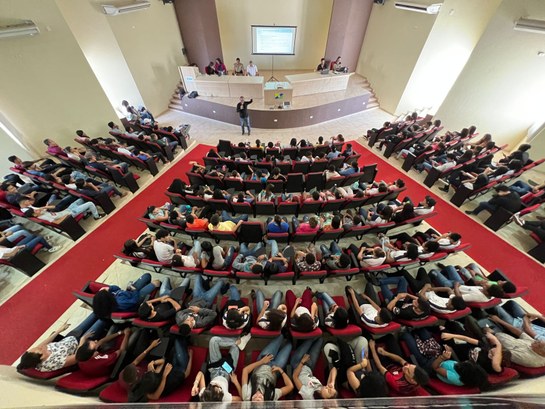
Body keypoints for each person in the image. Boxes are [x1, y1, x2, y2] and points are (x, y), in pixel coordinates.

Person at [17, 313, 110, 372]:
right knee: (101, 320)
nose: (41, 347)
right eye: (40, 349)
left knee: (95, 313)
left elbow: (45, 342)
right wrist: (82, 341)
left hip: (71, 337)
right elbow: (78, 357)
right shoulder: (53, 363)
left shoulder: (35, 352)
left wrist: (58, 331)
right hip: (81, 345)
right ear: (40, 357)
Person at [129, 337, 193, 402]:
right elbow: (187, 373)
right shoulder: (169, 383)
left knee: (174, 345)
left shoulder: (150, 382)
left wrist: (153, 363)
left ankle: (185, 340)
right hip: (180, 369)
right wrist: (191, 357)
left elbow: (163, 361)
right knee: (177, 340)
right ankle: (185, 339)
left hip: (171, 367)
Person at [193, 335, 252, 402]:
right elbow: (241, 399)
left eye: (216, 386)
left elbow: (201, 374)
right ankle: (238, 341)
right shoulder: (225, 398)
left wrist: (195, 384)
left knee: (213, 340)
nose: (219, 385)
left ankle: (237, 341)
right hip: (227, 372)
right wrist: (236, 382)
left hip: (214, 369)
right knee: (235, 347)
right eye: (220, 389)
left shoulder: (205, 395)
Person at [241, 335, 293, 401]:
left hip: (262, 363)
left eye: (254, 397)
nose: (257, 395)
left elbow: (245, 370)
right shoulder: (271, 397)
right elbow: (290, 387)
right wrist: (281, 371)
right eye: (260, 398)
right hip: (275, 369)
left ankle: (284, 335)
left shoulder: (246, 396)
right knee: (289, 345)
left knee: (280, 337)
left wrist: (261, 361)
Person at [91, 273, 161, 318]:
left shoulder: (110, 296)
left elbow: (118, 289)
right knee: (157, 282)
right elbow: (135, 301)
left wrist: (110, 288)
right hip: (138, 297)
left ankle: (147, 287)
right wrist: (134, 290)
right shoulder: (121, 303)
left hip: (129, 292)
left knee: (147, 276)